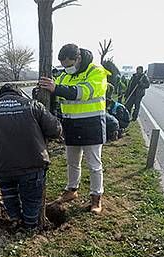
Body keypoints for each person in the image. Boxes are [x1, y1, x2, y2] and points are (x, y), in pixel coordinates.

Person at [0, 83, 62, 228]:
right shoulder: (33, 106)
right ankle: (30, 226)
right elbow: (55, 130)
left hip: (3, 166)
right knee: (31, 199)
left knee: (9, 194)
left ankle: (15, 219)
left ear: (0, 95)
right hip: (32, 165)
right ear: (19, 94)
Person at [38, 43, 109, 214]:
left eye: (69, 65)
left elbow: (83, 92)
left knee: (94, 164)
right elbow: (58, 92)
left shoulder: (96, 71)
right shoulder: (64, 75)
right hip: (71, 125)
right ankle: (71, 190)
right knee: (72, 162)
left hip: (91, 124)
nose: (66, 69)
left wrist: (57, 88)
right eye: (64, 66)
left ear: (78, 58)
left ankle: (96, 198)